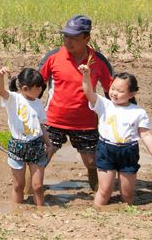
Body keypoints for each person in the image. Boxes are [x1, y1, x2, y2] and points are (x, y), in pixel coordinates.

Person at [39, 14, 114, 191]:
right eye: (65, 36)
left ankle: (99, 193)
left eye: (73, 37)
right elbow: (36, 84)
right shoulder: (53, 57)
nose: (68, 41)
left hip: (86, 123)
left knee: (91, 161)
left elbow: (112, 91)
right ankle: (27, 194)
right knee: (41, 159)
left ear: (87, 37)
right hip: (53, 119)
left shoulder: (99, 61)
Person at [79, 66, 152, 208]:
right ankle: (95, 213)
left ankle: (126, 215)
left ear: (132, 93)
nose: (114, 93)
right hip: (106, 149)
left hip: (128, 152)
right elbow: (88, 92)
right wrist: (86, 75)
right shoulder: (104, 104)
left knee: (127, 194)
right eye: (113, 88)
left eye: (120, 91)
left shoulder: (138, 112)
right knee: (104, 190)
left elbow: (145, 134)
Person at [0, 67, 53, 206]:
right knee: (18, 185)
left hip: (36, 146)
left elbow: (40, 126)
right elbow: (0, 91)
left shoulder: (38, 103)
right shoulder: (14, 99)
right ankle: (17, 214)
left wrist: (49, 144)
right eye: (38, 87)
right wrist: (0, 76)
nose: (41, 90)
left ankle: (41, 212)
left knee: (38, 186)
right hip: (17, 146)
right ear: (26, 88)